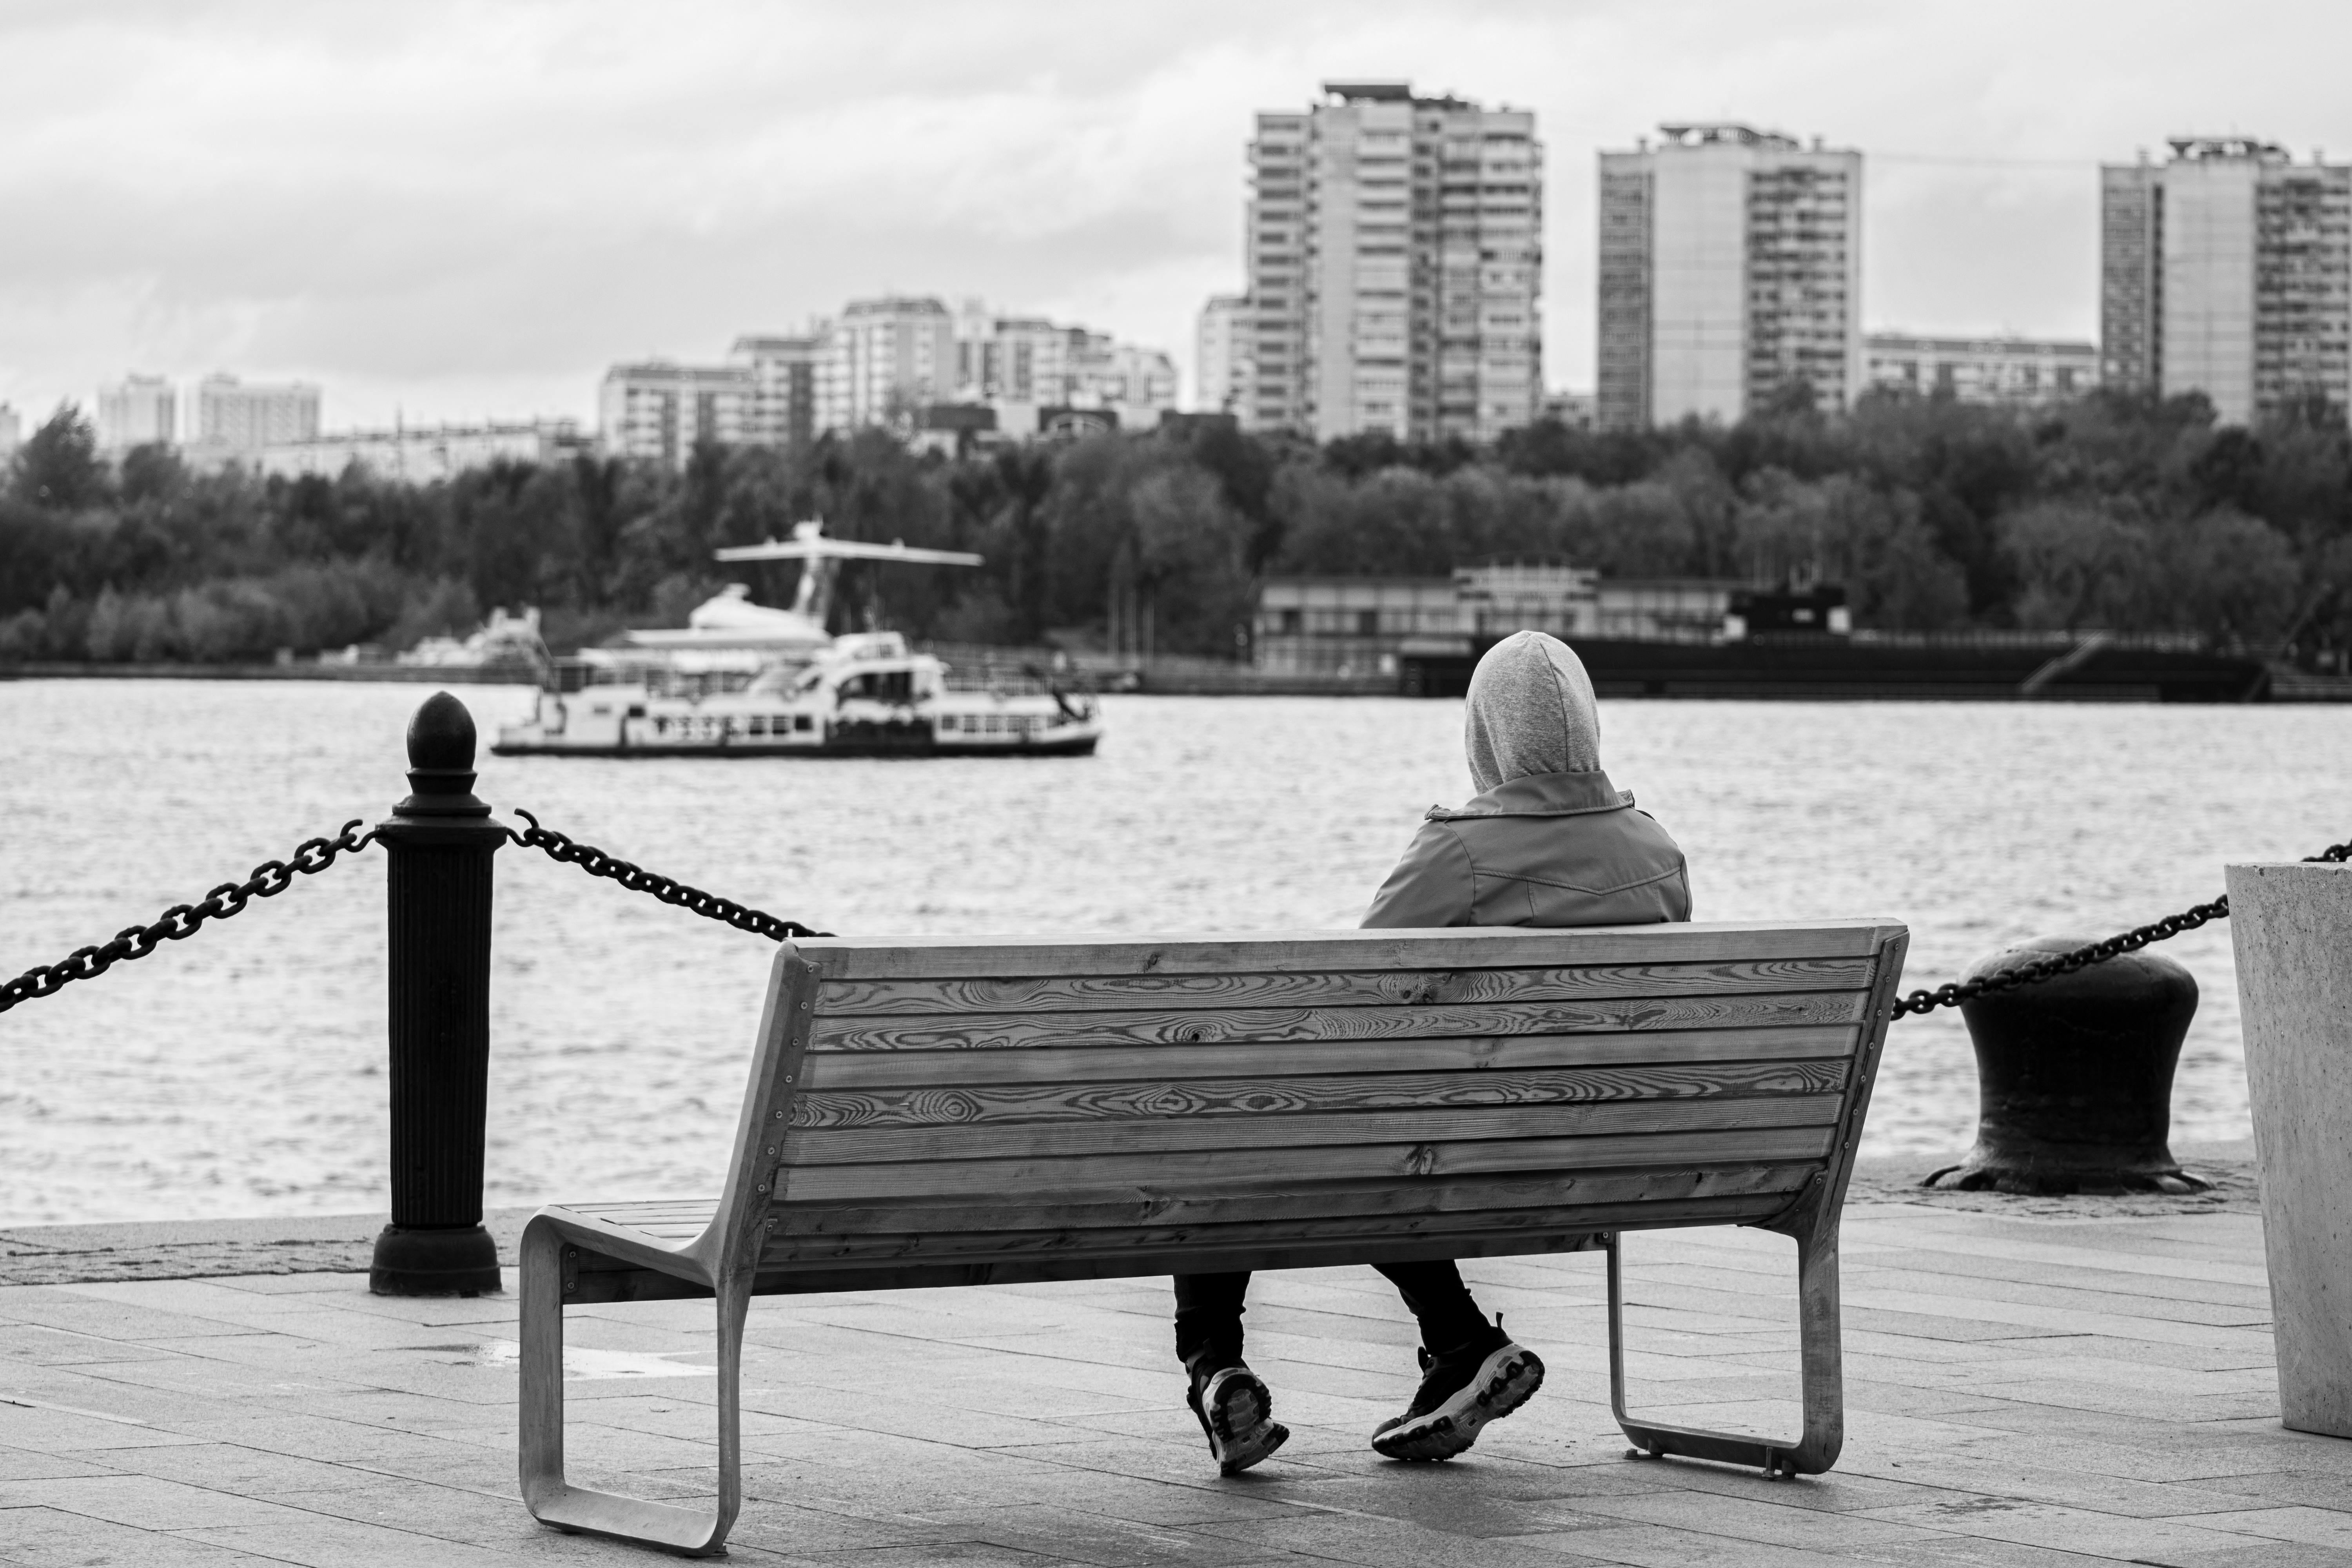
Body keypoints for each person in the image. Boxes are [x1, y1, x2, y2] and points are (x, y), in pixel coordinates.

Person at [1174, 630, 1692, 1473]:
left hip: (1455, 1162)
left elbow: (1345, 997)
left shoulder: (1458, 851)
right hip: (1616, 1157)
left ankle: (1212, 1366)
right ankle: (1455, 1343)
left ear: (1484, 737)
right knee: (1352, 1133)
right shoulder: (1657, 850)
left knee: (1231, 1129)